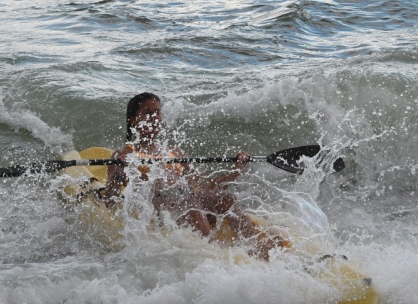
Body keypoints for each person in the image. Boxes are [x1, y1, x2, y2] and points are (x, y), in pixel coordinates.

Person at [104, 92, 283, 259]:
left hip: (188, 201)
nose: (154, 118)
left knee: (226, 198)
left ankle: (253, 246)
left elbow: (205, 185)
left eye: (157, 112)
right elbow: (110, 198)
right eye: (147, 113)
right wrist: (119, 173)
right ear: (133, 119)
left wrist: (236, 171)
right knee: (190, 201)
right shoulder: (124, 154)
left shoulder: (175, 152)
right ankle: (217, 254)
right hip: (160, 209)